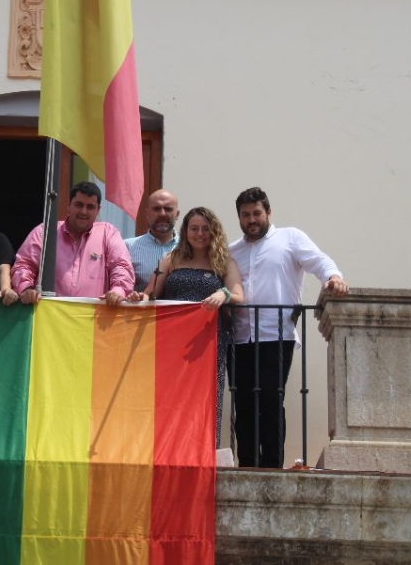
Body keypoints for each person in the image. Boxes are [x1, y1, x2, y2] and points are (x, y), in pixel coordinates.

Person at [229, 186, 349, 468]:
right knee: (243, 405)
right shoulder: (232, 250)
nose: (252, 219)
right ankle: (247, 465)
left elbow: (318, 260)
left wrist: (333, 276)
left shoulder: (290, 238)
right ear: (239, 218)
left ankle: (271, 466)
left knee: (271, 401)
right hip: (240, 339)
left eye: (257, 213)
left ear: (268, 212)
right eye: (245, 215)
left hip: (276, 336)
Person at [143, 207, 245, 448]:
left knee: (205, 400)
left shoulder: (224, 262)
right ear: (185, 231)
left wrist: (224, 293)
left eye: (205, 229)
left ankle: (202, 454)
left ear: (214, 231)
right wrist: (139, 298)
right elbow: (151, 293)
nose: (200, 234)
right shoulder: (171, 258)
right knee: (170, 398)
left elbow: (240, 296)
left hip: (209, 344)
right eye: (194, 229)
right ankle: (169, 452)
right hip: (172, 344)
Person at [12, 181, 135, 305]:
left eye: (90, 207)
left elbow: (121, 266)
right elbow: (24, 264)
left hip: (92, 320)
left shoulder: (108, 234)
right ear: (69, 205)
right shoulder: (46, 232)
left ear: (98, 210)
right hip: (49, 318)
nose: (83, 211)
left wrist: (118, 290)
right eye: (79, 205)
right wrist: (26, 288)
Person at [124, 189, 180, 293]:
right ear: (147, 213)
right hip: (142, 309)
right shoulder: (128, 247)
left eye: (168, 209)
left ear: (177, 214)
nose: (162, 214)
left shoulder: (189, 247)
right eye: (156, 209)